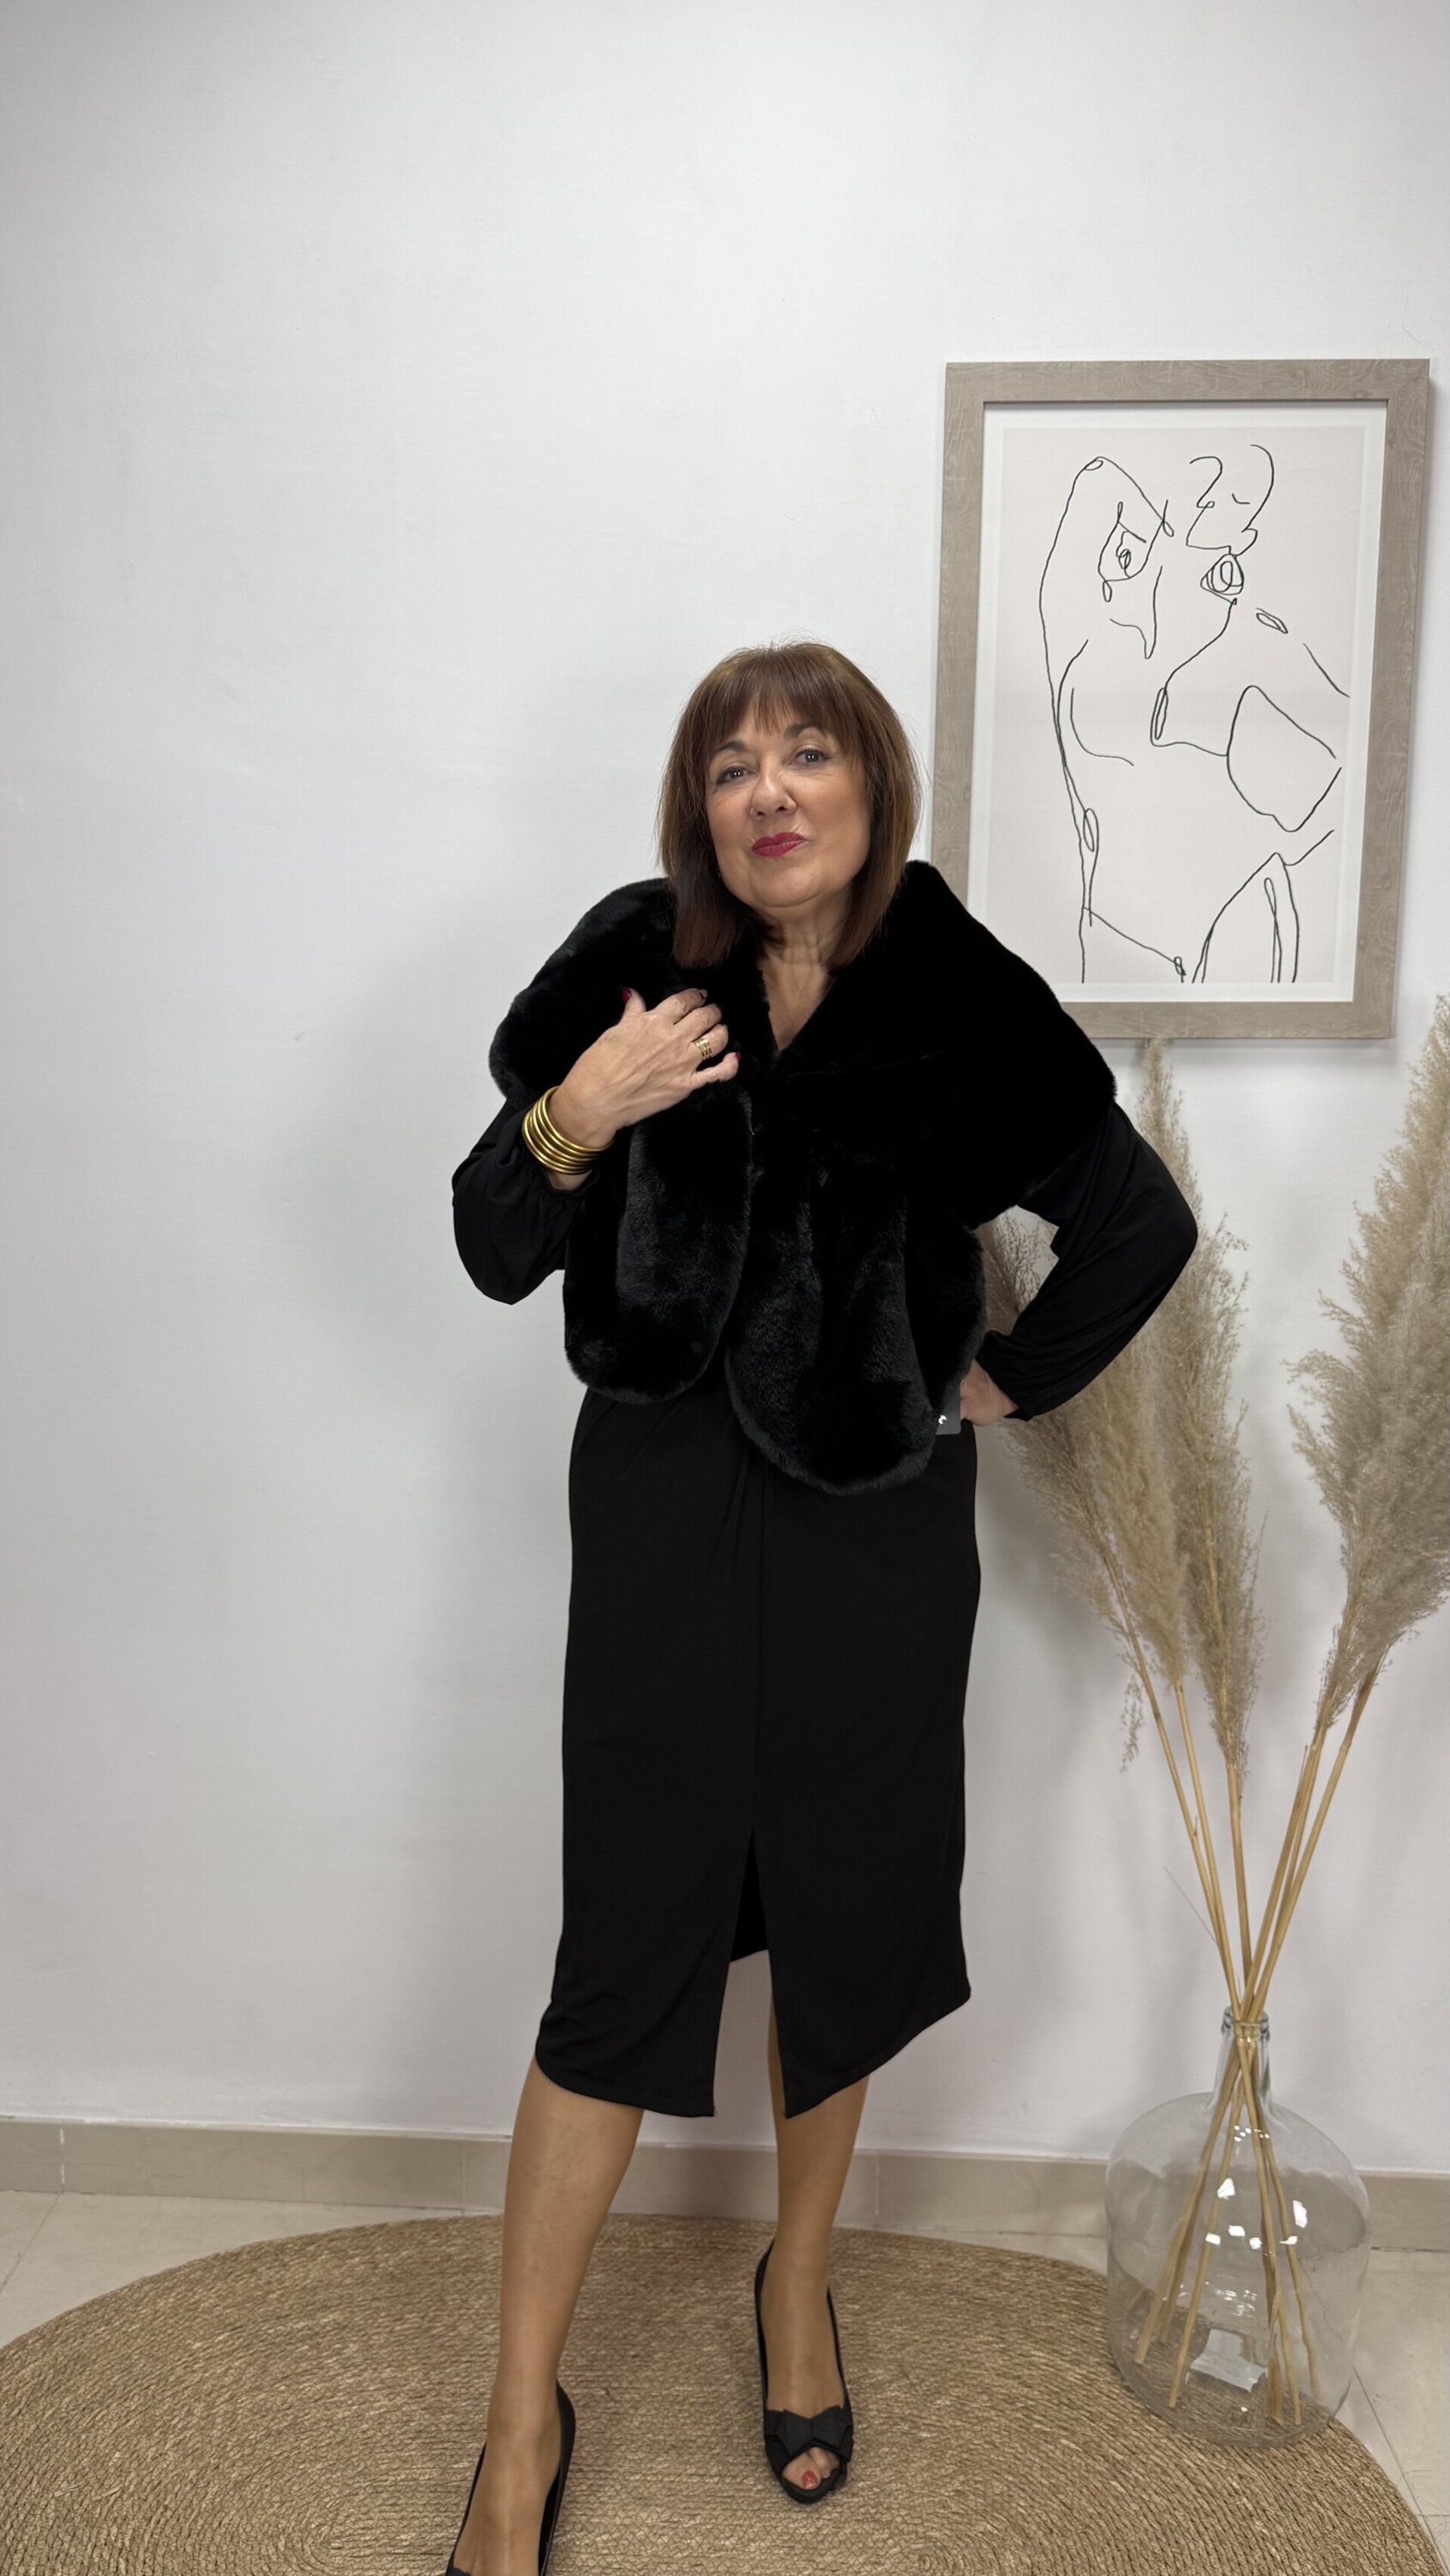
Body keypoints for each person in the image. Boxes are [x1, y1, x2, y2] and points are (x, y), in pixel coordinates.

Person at [446, 640, 1198, 2575]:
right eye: (730, 763)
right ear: (695, 807)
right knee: (622, 1951)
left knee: (844, 1920)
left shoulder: (955, 991)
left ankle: (796, 2279)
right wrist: (581, 1105)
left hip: (876, 1536)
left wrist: (1002, 1383)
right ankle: (522, 2416)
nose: (768, 789)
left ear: (875, 787)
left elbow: (1137, 1221)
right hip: (662, 1520)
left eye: (808, 751)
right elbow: (489, 1239)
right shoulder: (635, 964)